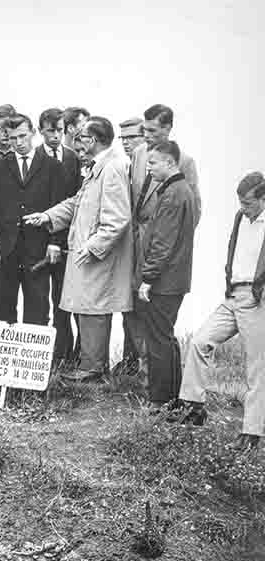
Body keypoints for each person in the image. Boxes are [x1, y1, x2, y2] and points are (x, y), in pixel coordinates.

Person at [25, 117, 134, 382]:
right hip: (88, 253)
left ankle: (92, 371)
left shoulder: (112, 168)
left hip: (97, 256)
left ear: (94, 140)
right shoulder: (100, 166)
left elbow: (118, 218)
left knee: (93, 309)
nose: (78, 144)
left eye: (83, 138)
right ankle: (90, 367)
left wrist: (93, 247)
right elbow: (77, 202)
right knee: (86, 308)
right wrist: (48, 216)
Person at [167, 172, 265, 451]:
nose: (242, 208)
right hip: (233, 295)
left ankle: (252, 432)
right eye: (240, 202)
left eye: (247, 203)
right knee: (199, 341)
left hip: (257, 299)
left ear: (263, 198)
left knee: (257, 366)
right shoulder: (239, 217)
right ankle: (193, 407)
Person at [123, 104, 202, 376]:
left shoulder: (184, 162)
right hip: (136, 243)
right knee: (131, 307)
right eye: (143, 130)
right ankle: (134, 363)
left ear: (168, 129)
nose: (146, 135)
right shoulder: (138, 154)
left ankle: (156, 377)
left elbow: (192, 210)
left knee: (158, 320)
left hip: (162, 249)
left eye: (153, 130)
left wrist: (172, 250)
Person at [0, 114, 65, 326]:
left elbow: (59, 208)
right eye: (12, 138)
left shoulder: (52, 166)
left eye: (22, 136)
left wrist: (55, 243)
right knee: (2, 304)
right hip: (5, 248)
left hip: (38, 248)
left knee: (37, 304)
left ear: (33, 134)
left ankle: (34, 358)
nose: (18, 143)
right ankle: (2, 356)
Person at [135, 141, 195, 407]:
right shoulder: (182, 190)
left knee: (158, 340)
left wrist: (147, 278)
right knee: (166, 337)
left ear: (170, 163)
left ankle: (159, 402)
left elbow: (163, 242)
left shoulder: (172, 194)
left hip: (164, 282)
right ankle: (174, 398)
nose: (148, 169)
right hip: (174, 280)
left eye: (153, 163)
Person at [37, 107, 82, 364]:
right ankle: (44, 355)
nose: (55, 136)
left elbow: (75, 200)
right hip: (38, 238)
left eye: (60, 131)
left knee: (62, 300)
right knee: (40, 300)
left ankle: (63, 354)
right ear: (41, 130)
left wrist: (60, 238)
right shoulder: (34, 157)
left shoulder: (72, 158)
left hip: (65, 239)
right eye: (50, 131)